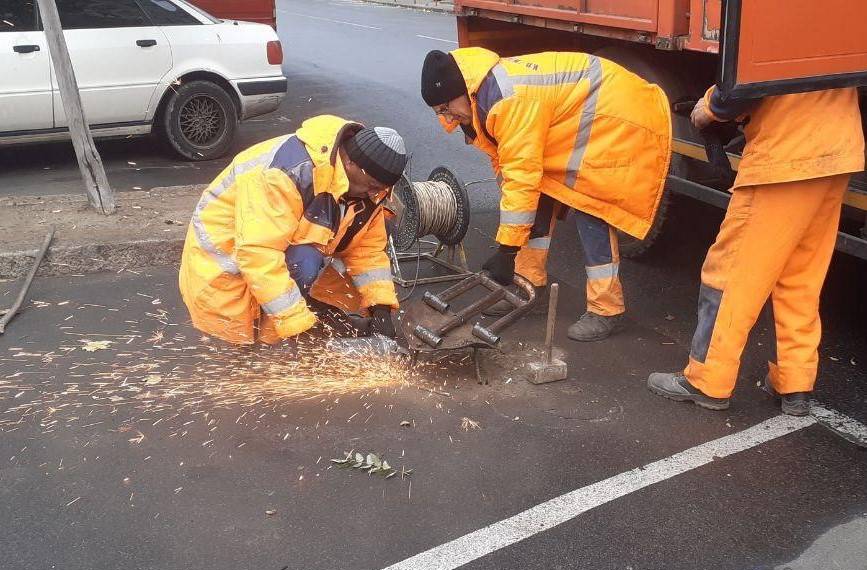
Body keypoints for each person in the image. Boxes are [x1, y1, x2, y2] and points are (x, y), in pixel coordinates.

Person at [420, 48, 671, 341]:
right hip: (582, 113)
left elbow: (522, 175)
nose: (448, 118)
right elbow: (508, 167)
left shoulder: (506, 101)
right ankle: (528, 285)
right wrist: (516, 225)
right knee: (533, 204)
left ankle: (607, 310)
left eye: (447, 108)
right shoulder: (479, 99)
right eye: (441, 113)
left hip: (614, 115)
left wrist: (507, 249)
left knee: (591, 208)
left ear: (462, 90)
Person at [648, 86, 864, 415]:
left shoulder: (780, 30)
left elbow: (748, 79)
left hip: (785, 154)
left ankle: (708, 380)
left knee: (729, 275)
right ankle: (793, 383)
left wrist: (710, 106)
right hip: (838, 151)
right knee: (799, 276)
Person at [179, 115, 408, 345]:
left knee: (309, 257)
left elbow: (366, 249)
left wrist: (380, 307)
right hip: (224, 270)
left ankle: (295, 315)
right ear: (350, 163)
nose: (373, 194)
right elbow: (258, 253)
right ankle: (277, 329)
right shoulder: (288, 174)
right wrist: (297, 327)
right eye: (371, 186)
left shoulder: (363, 188)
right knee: (305, 260)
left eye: (379, 190)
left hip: (262, 253)